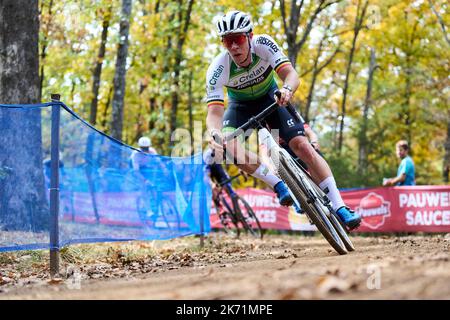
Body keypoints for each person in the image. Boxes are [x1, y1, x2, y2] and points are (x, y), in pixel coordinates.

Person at [205, 10, 361, 229]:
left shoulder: (264, 44)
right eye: (227, 41)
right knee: (230, 147)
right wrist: (215, 133)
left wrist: (287, 89)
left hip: (272, 98)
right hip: (240, 107)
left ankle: (340, 206)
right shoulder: (218, 68)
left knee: (302, 146)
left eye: (238, 39)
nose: (233, 47)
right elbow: (214, 113)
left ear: (249, 36)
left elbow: (291, 74)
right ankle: (278, 185)